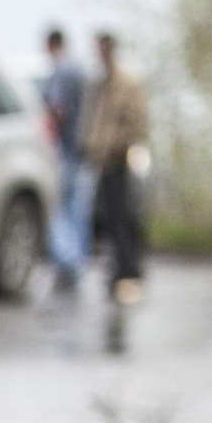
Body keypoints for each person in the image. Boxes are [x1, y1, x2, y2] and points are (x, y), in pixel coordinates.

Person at [83, 29, 151, 306]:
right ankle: (117, 267)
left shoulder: (126, 83)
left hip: (119, 159)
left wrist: (112, 146)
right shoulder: (102, 83)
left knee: (123, 215)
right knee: (108, 217)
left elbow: (134, 123)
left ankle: (128, 268)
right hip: (102, 160)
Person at [38, 27, 92, 293]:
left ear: (51, 44)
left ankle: (66, 263)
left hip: (64, 149)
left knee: (60, 207)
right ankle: (79, 260)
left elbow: (57, 109)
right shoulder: (80, 70)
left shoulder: (60, 71)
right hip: (82, 147)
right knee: (77, 208)